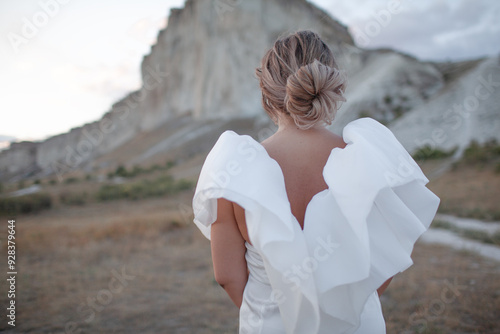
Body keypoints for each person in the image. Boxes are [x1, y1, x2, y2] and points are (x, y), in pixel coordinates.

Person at [192, 30, 440, 334]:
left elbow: (227, 276)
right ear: (330, 85)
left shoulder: (235, 167)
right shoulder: (366, 158)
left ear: (266, 93)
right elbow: (385, 259)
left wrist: (275, 313)